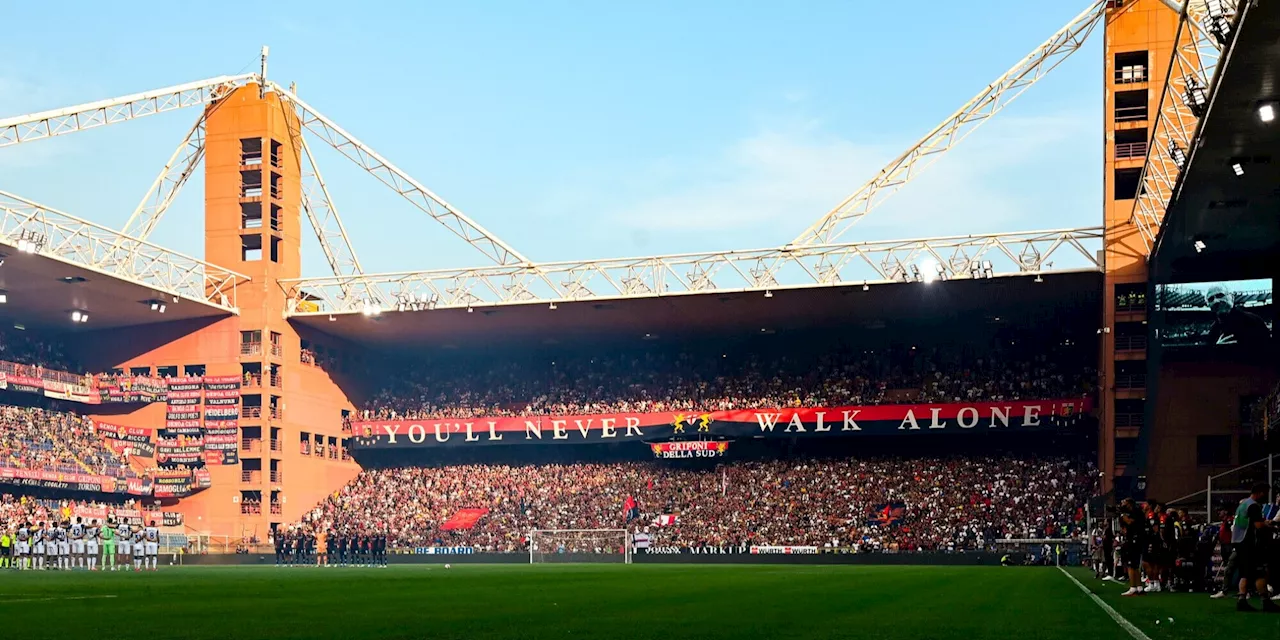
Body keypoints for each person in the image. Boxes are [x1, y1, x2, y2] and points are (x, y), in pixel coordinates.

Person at [1229, 483, 1279, 612]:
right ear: (1260, 492)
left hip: (1238, 542)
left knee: (1245, 573)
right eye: (1265, 493)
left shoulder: (1243, 504)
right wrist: (1271, 526)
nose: (1266, 496)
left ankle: (1242, 600)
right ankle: (1266, 601)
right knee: (1259, 572)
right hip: (1249, 542)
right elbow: (1258, 526)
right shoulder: (1253, 506)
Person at [1204, 285, 1270, 348]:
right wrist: (1216, 349)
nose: (1216, 301)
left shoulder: (1253, 321)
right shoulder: (1213, 331)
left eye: (1220, 295)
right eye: (1211, 299)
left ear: (1232, 297)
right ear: (1208, 305)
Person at [1118, 499, 1148, 597]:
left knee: (1131, 565)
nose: (1122, 504)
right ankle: (1139, 587)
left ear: (1129, 504)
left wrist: (1123, 515)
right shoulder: (1136, 512)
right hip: (1136, 539)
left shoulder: (1135, 512)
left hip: (1135, 540)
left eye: (1124, 502)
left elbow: (1129, 522)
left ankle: (1133, 588)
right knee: (1135, 565)